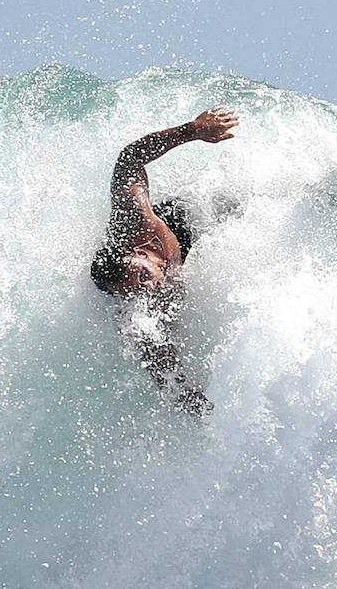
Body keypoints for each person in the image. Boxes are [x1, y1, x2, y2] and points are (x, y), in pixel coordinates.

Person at [91, 106, 240, 416]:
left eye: (141, 277)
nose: (148, 287)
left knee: (253, 206)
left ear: (138, 253)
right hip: (186, 255)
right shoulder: (137, 312)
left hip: (191, 218)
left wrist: (193, 130)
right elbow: (164, 372)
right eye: (135, 291)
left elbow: (129, 158)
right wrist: (201, 407)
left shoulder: (134, 219)